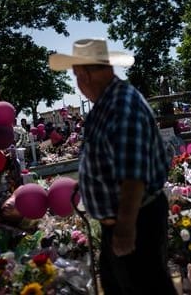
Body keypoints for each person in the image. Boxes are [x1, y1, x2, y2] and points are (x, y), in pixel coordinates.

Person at [49, 38, 176, 294]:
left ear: (85, 74)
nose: (78, 84)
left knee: (147, 288)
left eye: (77, 76)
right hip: (121, 223)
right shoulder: (107, 103)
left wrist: (125, 229)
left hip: (134, 222)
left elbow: (133, 176)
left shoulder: (122, 106)